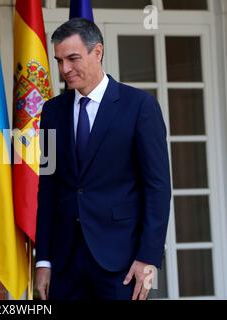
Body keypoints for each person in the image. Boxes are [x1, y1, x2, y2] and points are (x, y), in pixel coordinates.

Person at [35, 18, 171, 300]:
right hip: (66, 262)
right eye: (59, 61)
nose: (65, 69)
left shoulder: (140, 106)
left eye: (73, 58)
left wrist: (148, 258)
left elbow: (157, 188)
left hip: (122, 262)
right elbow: (47, 188)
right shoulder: (51, 111)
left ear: (97, 52)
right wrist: (44, 260)